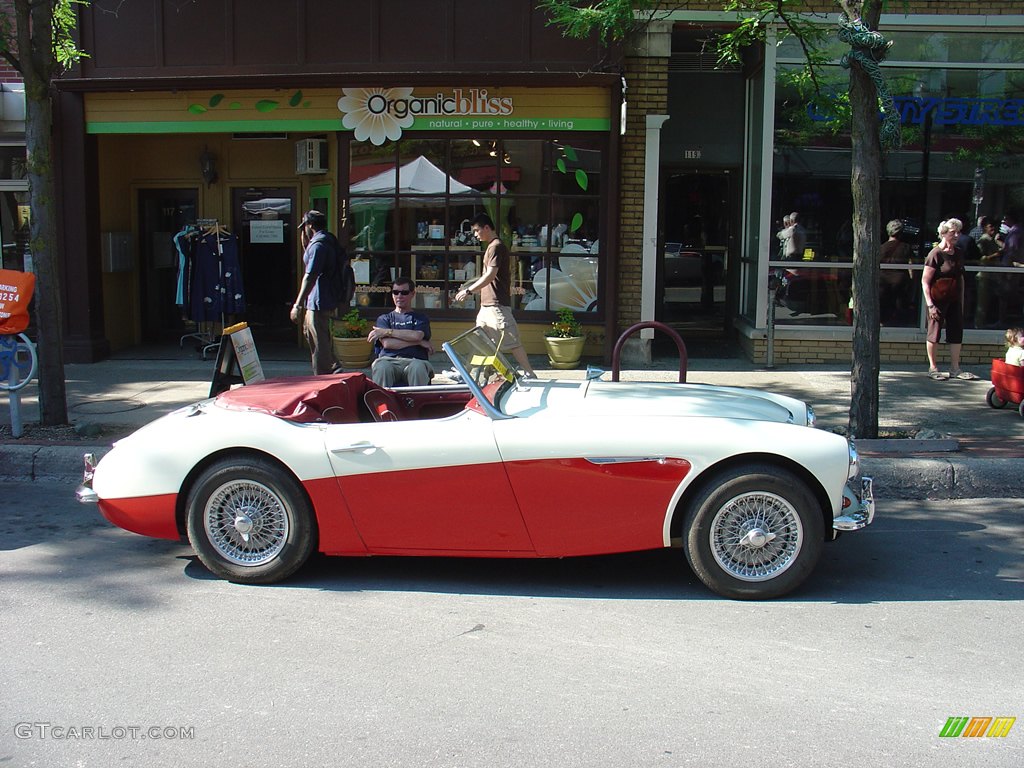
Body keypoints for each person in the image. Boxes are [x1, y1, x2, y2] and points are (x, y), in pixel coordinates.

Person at [455, 213, 537, 377]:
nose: (476, 235)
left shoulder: (496, 247)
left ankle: (530, 374)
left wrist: (469, 291)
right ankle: (465, 373)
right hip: (486, 306)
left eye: (478, 230)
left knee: (512, 340)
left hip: (496, 305)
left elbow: (490, 275)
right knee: (481, 342)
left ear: (487, 227)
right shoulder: (491, 247)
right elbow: (487, 276)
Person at [921, 219, 978, 381]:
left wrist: (962, 300)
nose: (957, 235)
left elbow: (960, 277)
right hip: (937, 300)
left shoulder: (959, 252)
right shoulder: (936, 254)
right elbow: (925, 281)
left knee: (956, 332)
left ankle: (955, 368)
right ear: (943, 233)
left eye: (958, 232)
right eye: (953, 232)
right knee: (934, 333)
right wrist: (930, 304)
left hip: (954, 300)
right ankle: (933, 368)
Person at [290, 210, 344, 375]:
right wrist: (306, 244)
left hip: (319, 299)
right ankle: (334, 367)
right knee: (314, 335)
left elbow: (310, 275)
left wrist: (297, 304)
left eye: (304, 226)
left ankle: (322, 377)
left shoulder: (319, 245)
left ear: (310, 225)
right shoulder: (328, 240)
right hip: (322, 297)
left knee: (318, 341)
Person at [368, 278, 434, 387]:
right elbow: (388, 344)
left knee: (418, 368)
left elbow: (417, 335)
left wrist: (387, 332)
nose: (399, 296)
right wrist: (419, 342)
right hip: (389, 360)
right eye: (395, 292)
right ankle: (383, 403)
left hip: (415, 360)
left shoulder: (420, 318)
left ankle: (417, 403)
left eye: (404, 292)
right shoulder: (384, 319)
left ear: (412, 294)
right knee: (381, 367)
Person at [879, 219, 913, 324]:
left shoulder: (880, 248)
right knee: (900, 307)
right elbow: (911, 267)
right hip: (900, 281)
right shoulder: (906, 248)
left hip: (882, 281)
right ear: (901, 233)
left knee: (884, 306)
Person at [974, 216, 1002, 327]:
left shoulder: (993, 240)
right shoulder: (983, 240)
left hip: (992, 275)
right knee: (982, 303)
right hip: (984, 275)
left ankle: (985, 323)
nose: (993, 228)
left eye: (994, 226)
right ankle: (978, 325)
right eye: (990, 226)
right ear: (985, 227)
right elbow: (981, 258)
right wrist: (995, 255)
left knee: (989, 302)